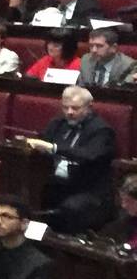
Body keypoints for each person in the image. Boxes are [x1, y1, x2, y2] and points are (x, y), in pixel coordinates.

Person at [27, 85, 119, 232]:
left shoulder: (102, 130)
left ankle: (63, 245)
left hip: (88, 189)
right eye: (65, 107)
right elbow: (43, 142)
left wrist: (54, 148)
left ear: (89, 107)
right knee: (28, 200)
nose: (69, 112)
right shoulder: (58, 123)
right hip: (57, 183)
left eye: (75, 108)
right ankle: (38, 241)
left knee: (70, 207)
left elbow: (89, 155)